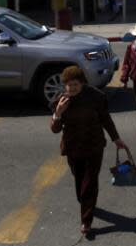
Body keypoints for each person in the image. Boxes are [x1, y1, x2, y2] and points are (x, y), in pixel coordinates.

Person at [50, 66, 127, 236]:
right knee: (79, 180)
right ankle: (85, 202)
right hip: (73, 148)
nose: (72, 88)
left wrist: (116, 138)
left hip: (94, 146)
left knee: (89, 183)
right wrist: (58, 113)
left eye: (75, 84)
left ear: (82, 83)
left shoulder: (96, 97)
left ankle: (86, 220)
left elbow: (105, 119)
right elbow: (55, 129)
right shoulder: (60, 101)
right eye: (69, 85)